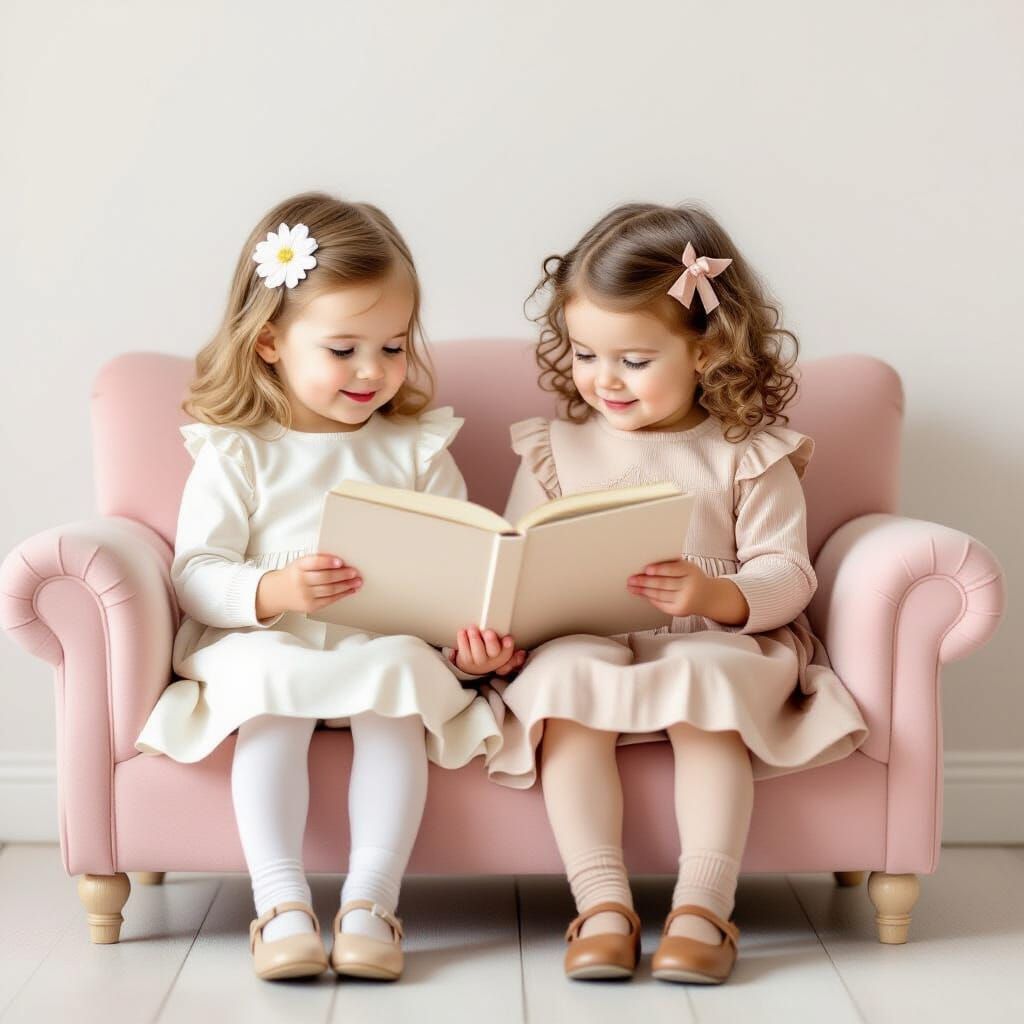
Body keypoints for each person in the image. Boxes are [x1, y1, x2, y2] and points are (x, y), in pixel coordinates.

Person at [136, 191, 524, 981]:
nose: (374, 372)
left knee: (394, 698)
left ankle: (371, 904)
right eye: (344, 349)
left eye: (392, 346)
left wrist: (472, 636)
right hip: (269, 641)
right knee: (270, 703)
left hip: (378, 642)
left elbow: (463, 558)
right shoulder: (240, 451)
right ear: (271, 341)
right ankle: (279, 904)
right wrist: (275, 592)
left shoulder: (414, 448)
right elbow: (196, 574)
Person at [486, 202, 869, 985]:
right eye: (587, 354)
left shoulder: (746, 453)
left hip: (714, 636)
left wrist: (715, 592)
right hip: (587, 636)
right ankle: (601, 905)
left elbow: (788, 572)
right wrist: (501, 626)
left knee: (706, 685)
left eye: (633, 360)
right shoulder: (556, 448)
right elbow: (514, 557)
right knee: (564, 686)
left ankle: (702, 906)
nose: (603, 380)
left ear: (706, 350)